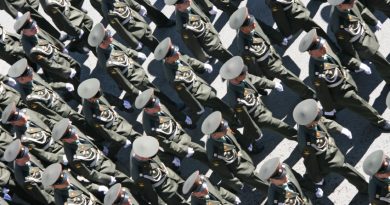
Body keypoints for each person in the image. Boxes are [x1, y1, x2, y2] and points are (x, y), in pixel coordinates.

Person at [298, 29, 390, 130]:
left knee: (359, 102)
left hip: (346, 80)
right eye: (320, 48)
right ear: (311, 53)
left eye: (322, 45)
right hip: (341, 93)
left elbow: (339, 57)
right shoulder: (315, 71)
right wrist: (328, 109)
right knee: (361, 105)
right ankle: (380, 122)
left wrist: (358, 64)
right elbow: (322, 93)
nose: (323, 48)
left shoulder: (324, 49)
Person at [88, 23, 180, 111]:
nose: (111, 36)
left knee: (152, 95)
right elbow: (121, 80)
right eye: (108, 36)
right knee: (156, 93)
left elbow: (124, 49)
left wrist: (136, 54)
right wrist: (135, 92)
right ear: (102, 43)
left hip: (136, 69)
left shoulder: (108, 41)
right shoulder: (108, 63)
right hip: (135, 79)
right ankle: (174, 108)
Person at [229, 7, 316, 99]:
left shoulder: (251, 21)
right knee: (287, 76)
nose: (254, 26)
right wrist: (262, 78)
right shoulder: (243, 45)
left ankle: (259, 87)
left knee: (272, 77)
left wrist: (279, 38)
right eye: (250, 26)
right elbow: (252, 64)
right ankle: (308, 94)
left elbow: (266, 28)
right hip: (267, 64)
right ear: (243, 29)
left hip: (272, 54)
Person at [51, 118, 143, 202]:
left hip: (107, 161)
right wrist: (107, 179)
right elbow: (89, 173)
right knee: (125, 189)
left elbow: (88, 141)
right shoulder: (72, 156)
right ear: (65, 140)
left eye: (73, 132)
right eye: (71, 136)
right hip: (104, 171)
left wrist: (101, 148)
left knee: (128, 180)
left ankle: (140, 197)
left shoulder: (74, 130)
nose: (75, 136)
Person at [293, 99, 368, 198]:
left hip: (326, 148)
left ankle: (312, 178)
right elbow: (310, 160)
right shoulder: (305, 140)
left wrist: (340, 129)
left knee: (319, 172)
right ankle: (365, 188)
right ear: (309, 122)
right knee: (346, 169)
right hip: (326, 159)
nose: (318, 120)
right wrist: (316, 177)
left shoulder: (310, 119)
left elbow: (324, 121)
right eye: (315, 120)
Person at [220, 56, 297, 153]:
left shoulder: (240, 77)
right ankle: (298, 137)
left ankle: (248, 145)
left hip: (258, 106)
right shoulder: (235, 100)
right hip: (254, 115)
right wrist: (257, 133)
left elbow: (256, 80)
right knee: (278, 124)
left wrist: (272, 85)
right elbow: (246, 119)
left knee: (249, 134)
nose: (246, 74)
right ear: (236, 78)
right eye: (244, 74)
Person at [154, 37, 238, 126]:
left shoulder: (175, 56)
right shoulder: (173, 77)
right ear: (167, 59)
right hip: (198, 93)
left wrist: (202, 66)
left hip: (200, 83)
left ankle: (194, 121)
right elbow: (185, 94)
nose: (178, 53)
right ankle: (234, 119)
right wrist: (197, 108)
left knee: (212, 101)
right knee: (218, 103)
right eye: (175, 54)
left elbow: (189, 60)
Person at [135, 89, 208, 170]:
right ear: (147, 110)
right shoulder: (150, 127)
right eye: (155, 106)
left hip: (181, 133)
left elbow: (171, 114)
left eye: (157, 102)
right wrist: (183, 150)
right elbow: (166, 144)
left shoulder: (157, 105)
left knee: (199, 153)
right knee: (201, 152)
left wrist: (183, 118)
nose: (159, 106)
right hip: (177, 143)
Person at [7, 58, 88, 131]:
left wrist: (63, 85)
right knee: (83, 127)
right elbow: (47, 113)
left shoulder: (31, 76)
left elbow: (47, 85)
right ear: (21, 79)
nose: (32, 74)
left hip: (62, 103)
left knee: (83, 123)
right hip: (62, 113)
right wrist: (62, 122)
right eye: (29, 74)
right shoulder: (29, 98)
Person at [202, 111, 269, 196]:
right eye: (223, 130)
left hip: (243, 157)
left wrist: (246, 146)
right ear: (215, 135)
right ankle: (273, 190)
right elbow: (223, 171)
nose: (226, 129)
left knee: (253, 173)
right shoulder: (213, 153)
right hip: (237, 168)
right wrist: (236, 182)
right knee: (255, 178)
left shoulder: (223, 129)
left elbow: (235, 137)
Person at [328, 0, 390, 84]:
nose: (354, 2)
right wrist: (357, 63)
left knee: (377, 56)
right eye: (350, 3)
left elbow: (362, 10)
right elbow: (347, 46)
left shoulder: (351, 3)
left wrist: (374, 21)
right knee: (381, 62)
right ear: (340, 5)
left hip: (366, 34)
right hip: (362, 46)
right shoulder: (338, 24)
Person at [77, 78, 139, 159]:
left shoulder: (95, 93)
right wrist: (122, 140)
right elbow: (104, 132)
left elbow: (107, 97)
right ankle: (110, 156)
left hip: (116, 119)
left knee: (119, 142)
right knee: (121, 141)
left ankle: (110, 154)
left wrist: (121, 103)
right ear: (90, 99)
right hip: (111, 128)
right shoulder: (90, 115)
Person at [15, 12, 81, 87]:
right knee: (73, 82)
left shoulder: (33, 29)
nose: (36, 27)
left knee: (77, 67)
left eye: (34, 24)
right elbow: (49, 65)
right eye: (32, 28)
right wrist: (67, 71)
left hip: (58, 54)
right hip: (56, 65)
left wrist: (61, 47)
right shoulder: (31, 50)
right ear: (24, 31)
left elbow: (49, 37)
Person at [165, 0, 233, 63]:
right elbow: (193, 45)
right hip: (209, 43)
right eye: (186, 1)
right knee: (225, 56)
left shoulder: (188, 3)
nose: (190, 0)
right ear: (178, 6)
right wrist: (203, 58)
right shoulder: (182, 26)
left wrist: (209, 9)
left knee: (221, 48)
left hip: (210, 30)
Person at [1, 102, 66, 166]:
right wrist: (59, 159)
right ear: (13, 123)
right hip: (55, 151)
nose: (23, 117)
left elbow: (47, 121)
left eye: (19, 113)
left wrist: (64, 130)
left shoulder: (27, 112)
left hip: (61, 138)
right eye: (18, 118)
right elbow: (42, 154)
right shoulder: (23, 138)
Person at [130, 136, 189, 205]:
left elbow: (157, 157)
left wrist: (171, 159)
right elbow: (151, 194)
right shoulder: (138, 175)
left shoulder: (140, 147)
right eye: (149, 155)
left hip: (170, 176)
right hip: (167, 191)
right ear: (143, 157)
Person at [3, 139, 55, 205]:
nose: (28, 155)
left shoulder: (26, 156)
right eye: (24, 155)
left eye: (26, 153)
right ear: (17, 160)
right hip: (52, 192)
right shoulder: (22, 177)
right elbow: (40, 195)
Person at [265, 0, 335, 47]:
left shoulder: (272, 1)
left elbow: (280, 18)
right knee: (317, 30)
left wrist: (287, 34)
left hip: (295, 17)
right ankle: (331, 47)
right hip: (298, 10)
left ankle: (330, 48)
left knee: (316, 32)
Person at [0, 0, 66, 41]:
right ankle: (56, 37)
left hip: (26, 3)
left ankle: (52, 38)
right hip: (19, 6)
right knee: (37, 22)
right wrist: (15, 13)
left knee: (37, 20)